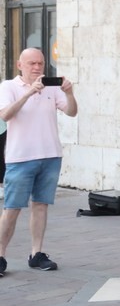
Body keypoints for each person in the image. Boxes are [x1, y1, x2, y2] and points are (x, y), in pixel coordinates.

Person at [0, 49, 78, 274]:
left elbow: (72, 112)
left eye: (40, 64)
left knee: (41, 205)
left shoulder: (51, 87)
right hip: (20, 157)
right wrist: (28, 94)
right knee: (12, 208)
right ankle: (1, 255)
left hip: (50, 155)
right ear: (19, 65)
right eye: (32, 63)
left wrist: (70, 93)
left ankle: (37, 253)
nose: (36, 68)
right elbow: (5, 115)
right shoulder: (8, 87)